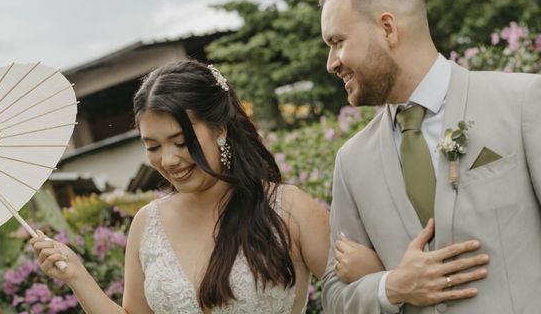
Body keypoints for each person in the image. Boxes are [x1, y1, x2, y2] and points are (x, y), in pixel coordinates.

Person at [31, 59, 382, 313]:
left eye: (181, 141)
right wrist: (77, 276)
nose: (167, 160)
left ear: (220, 129)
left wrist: (383, 276)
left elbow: (355, 295)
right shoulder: (147, 223)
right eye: (152, 147)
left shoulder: (288, 207)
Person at [319, 0, 541, 314]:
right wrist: (391, 286)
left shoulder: (523, 102)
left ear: (387, 29)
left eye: (337, 41)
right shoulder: (351, 160)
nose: (331, 62)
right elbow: (333, 293)